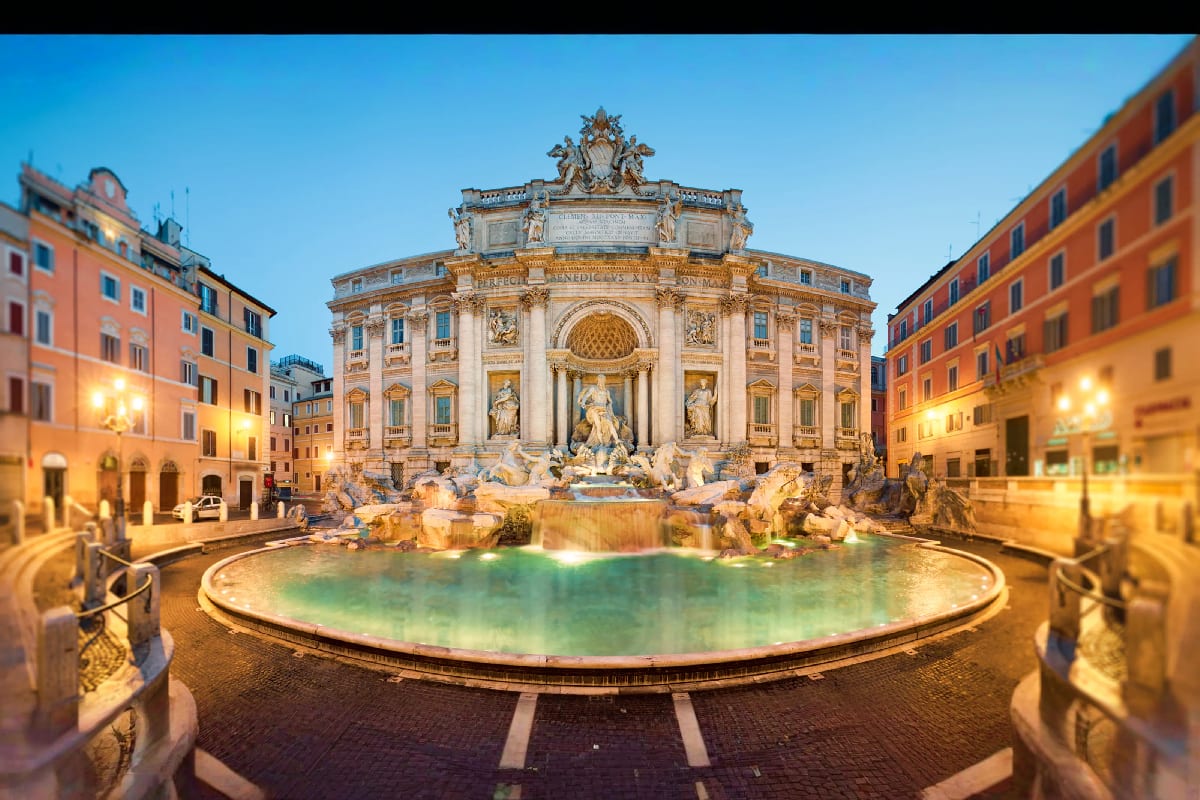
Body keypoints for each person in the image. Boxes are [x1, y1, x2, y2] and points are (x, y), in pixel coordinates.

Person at [576, 374, 621, 448]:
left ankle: (617, 440)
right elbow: (586, 396)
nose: (601, 381)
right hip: (595, 409)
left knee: (610, 424)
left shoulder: (607, 391)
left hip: (604, 409)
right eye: (600, 379)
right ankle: (601, 443)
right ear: (598, 380)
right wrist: (583, 402)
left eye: (603, 379)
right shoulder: (593, 388)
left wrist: (610, 406)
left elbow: (610, 401)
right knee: (598, 426)